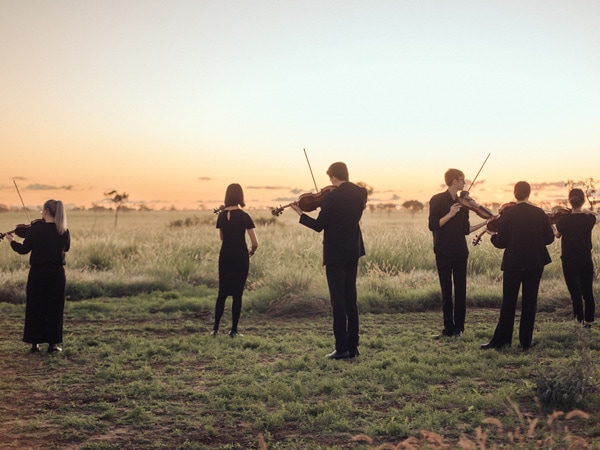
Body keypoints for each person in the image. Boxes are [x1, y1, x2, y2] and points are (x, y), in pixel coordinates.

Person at [291, 162, 367, 360]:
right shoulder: (361, 193)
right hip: (353, 250)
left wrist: (301, 213)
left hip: (335, 254)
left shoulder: (332, 197)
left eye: (330, 179)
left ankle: (341, 348)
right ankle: (354, 346)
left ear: (333, 177)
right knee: (351, 299)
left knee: (338, 302)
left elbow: (318, 225)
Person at [481, 181, 554, 351]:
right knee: (530, 303)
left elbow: (501, 243)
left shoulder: (508, 215)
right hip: (535, 263)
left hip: (513, 263)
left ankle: (501, 341)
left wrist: (492, 236)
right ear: (528, 194)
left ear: (515, 194)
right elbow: (550, 239)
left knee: (508, 303)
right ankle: (525, 344)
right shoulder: (539, 213)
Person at [428, 169, 487, 339]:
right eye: (462, 180)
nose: (464, 184)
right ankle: (447, 328)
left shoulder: (464, 203)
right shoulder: (437, 200)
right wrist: (451, 213)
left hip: (461, 251)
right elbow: (433, 225)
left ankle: (459, 329)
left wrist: (486, 222)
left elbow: (466, 230)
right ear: (454, 181)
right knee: (446, 291)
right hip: (443, 251)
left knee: (461, 291)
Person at [5, 200, 70, 353]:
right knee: (55, 308)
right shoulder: (64, 231)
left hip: (37, 274)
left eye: (42, 210)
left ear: (46, 211)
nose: (41, 213)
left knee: (35, 307)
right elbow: (66, 247)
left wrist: (11, 241)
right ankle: (53, 345)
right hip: (57, 274)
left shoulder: (35, 230)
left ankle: (34, 344)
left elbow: (23, 250)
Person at [212, 183, 258, 338]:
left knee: (222, 293)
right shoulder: (244, 216)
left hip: (225, 255)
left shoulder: (221, 215)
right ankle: (234, 330)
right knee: (237, 294)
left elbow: (222, 237)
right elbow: (255, 243)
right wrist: (251, 251)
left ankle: (215, 329)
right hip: (240, 255)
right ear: (240, 196)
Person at [552, 188, 599, 328]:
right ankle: (589, 322)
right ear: (583, 200)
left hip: (569, 261)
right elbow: (598, 216)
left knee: (576, 294)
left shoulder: (564, 220)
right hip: (585, 260)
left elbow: (557, 235)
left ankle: (579, 322)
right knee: (588, 293)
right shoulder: (588, 218)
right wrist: (585, 210)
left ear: (569, 201)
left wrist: (553, 227)